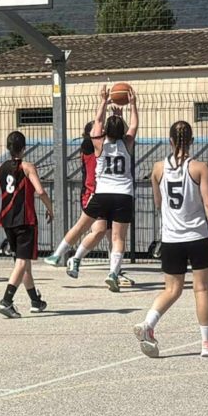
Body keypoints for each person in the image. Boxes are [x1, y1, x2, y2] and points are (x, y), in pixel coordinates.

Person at [134, 120, 208, 358]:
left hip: (171, 238)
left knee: (172, 289)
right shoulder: (200, 168)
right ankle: (207, 343)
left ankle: (148, 324)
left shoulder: (157, 169)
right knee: (201, 289)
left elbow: (158, 203)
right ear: (192, 141)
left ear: (170, 140)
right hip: (196, 236)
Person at [67, 85, 140, 291]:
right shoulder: (128, 143)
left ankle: (75, 258)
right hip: (123, 194)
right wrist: (132, 105)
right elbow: (134, 125)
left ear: (106, 131)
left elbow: (98, 122)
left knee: (91, 229)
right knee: (118, 238)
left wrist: (103, 102)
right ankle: (113, 273)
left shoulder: (99, 144)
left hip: (102, 193)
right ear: (123, 131)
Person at [0, 130, 52, 318]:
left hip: (7, 220)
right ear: (24, 148)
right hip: (25, 220)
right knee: (22, 262)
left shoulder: (0, 168)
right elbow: (40, 191)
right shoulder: (27, 167)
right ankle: (6, 301)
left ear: (8, 148)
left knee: (23, 263)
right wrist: (50, 208)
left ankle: (35, 301)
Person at [44, 122, 103, 267]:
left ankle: (114, 268)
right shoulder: (88, 145)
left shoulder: (105, 146)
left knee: (106, 232)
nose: (101, 131)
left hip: (105, 193)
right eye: (98, 129)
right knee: (89, 228)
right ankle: (60, 255)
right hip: (91, 194)